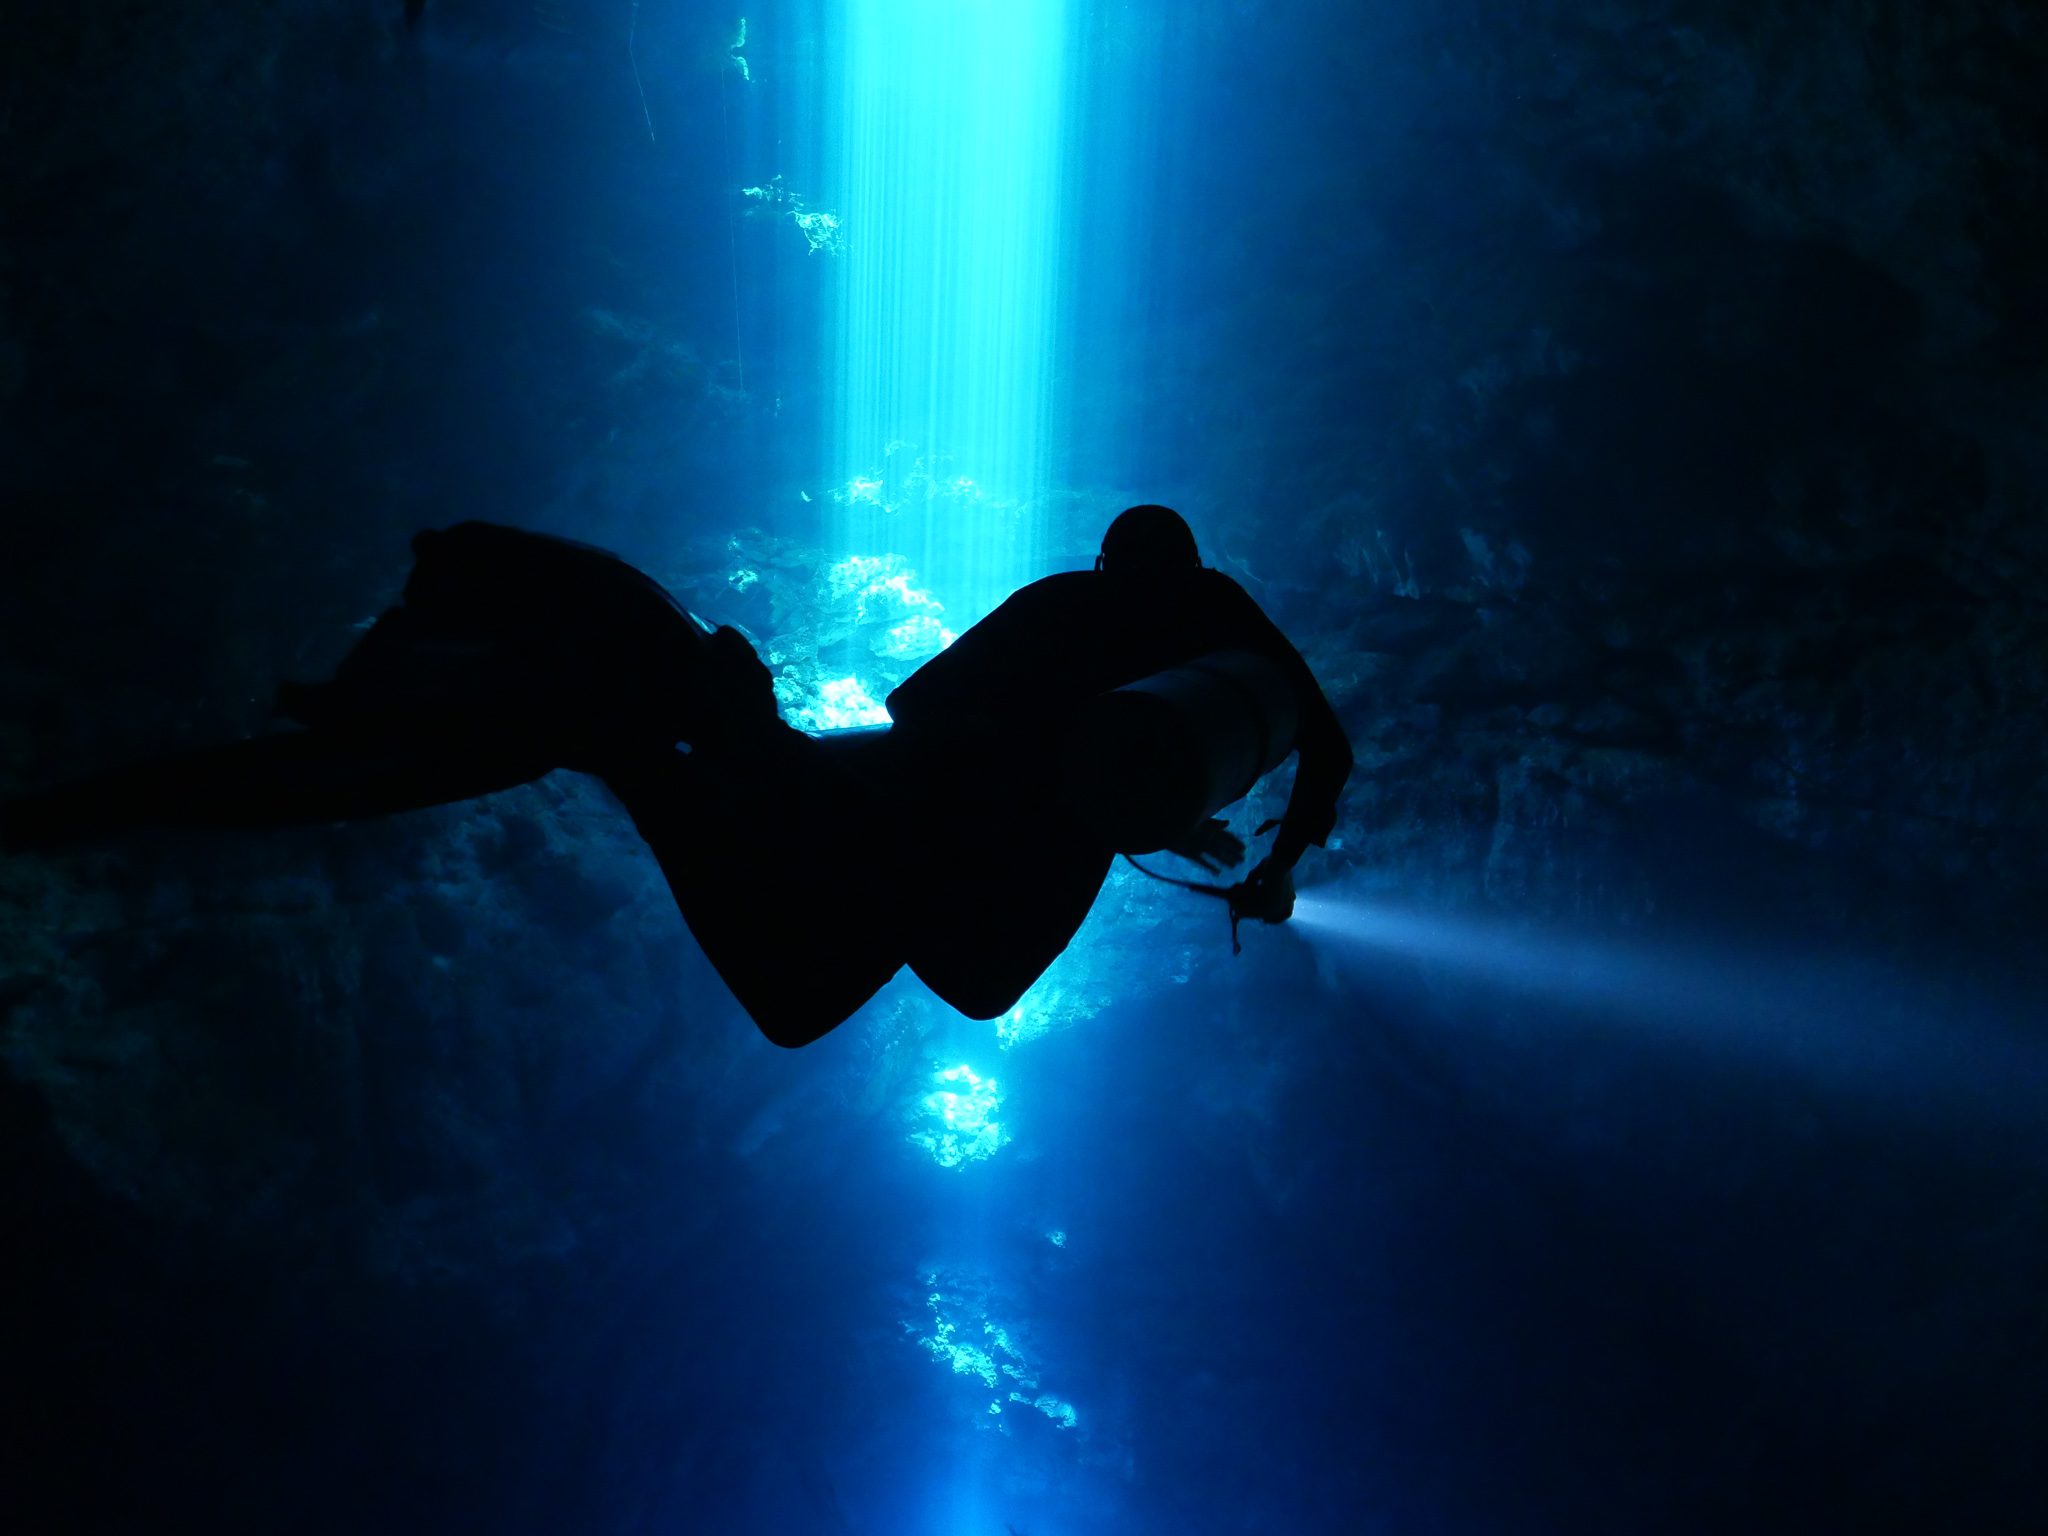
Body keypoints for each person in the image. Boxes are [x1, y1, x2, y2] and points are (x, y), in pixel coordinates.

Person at [0, 508, 1351, 1046]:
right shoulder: (1224, 629)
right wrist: (1264, 861)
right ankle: (650, 735)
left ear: (1117, 556)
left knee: (803, 966)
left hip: (935, 809)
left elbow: (923, 710)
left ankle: (655, 732)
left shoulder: (1068, 602)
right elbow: (1325, 742)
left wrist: (810, 760)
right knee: (829, 988)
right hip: (1003, 849)